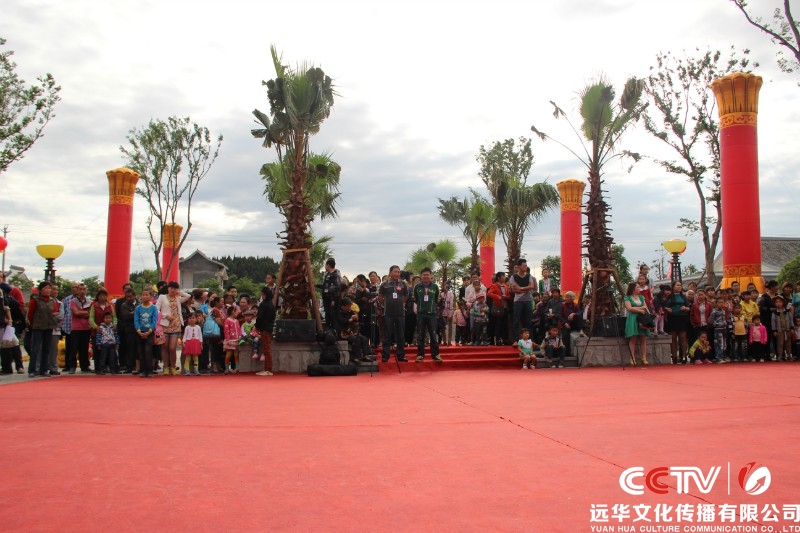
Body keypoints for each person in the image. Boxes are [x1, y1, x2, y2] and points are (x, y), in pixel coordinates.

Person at [155, 281, 191, 376]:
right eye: (171, 288)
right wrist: (165, 315)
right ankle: (166, 367)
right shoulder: (162, 297)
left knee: (172, 348)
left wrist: (179, 292)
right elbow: (156, 310)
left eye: (175, 288)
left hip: (176, 324)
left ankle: (173, 367)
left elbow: (188, 296)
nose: (173, 290)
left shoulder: (178, 298)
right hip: (165, 324)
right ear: (168, 288)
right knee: (165, 347)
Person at [26, 281, 58, 377]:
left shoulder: (52, 300)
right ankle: (32, 370)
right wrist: (33, 324)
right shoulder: (35, 300)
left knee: (46, 349)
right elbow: (30, 314)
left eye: (49, 288)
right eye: (46, 288)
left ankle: (43, 370)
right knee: (35, 348)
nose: (48, 290)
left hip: (49, 326)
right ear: (40, 290)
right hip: (38, 327)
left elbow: (54, 311)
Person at [378, 265, 409, 363]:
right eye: (395, 272)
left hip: (400, 313)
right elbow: (380, 297)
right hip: (388, 313)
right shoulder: (384, 284)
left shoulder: (403, 284)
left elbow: (406, 296)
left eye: (398, 272)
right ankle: (385, 356)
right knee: (387, 335)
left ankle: (401, 356)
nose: (397, 274)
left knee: (401, 336)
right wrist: (386, 305)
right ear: (390, 272)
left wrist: (400, 303)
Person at [413, 268, 442, 362]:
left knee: (433, 335)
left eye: (427, 274)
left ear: (431, 276)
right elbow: (415, 298)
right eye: (424, 274)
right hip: (421, 314)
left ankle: (435, 354)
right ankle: (420, 355)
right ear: (421, 276)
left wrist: (431, 307)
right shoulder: (417, 287)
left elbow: (437, 299)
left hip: (432, 315)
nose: (426, 276)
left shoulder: (435, 287)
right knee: (420, 335)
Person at [510, 259, 536, 343]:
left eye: (526, 265)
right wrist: (526, 289)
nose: (525, 267)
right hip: (518, 301)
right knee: (516, 321)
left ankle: (529, 340)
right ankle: (516, 340)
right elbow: (514, 290)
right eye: (524, 265)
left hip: (528, 300)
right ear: (519, 266)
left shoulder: (529, 276)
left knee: (528, 321)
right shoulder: (513, 277)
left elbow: (531, 286)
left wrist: (521, 288)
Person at [624, 282, 650, 366]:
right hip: (633, 318)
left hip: (642, 318)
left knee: (643, 338)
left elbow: (645, 307)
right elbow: (629, 308)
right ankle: (632, 357)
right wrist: (640, 309)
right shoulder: (627, 298)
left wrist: (641, 309)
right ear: (633, 289)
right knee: (633, 338)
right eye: (638, 287)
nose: (639, 289)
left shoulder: (641, 297)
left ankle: (644, 357)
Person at [665, 281, 690, 365]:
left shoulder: (684, 296)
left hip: (682, 317)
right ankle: (674, 356)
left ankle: (684, 356)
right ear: (673, 287)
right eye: (677, 285)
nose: (679, 286)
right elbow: (665, 306)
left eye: (680, 285)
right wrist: (667, 309)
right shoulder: (669, 296)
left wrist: (685, 308)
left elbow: (688, 307)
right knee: (673, 337)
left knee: (683, 337)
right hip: (672, 317)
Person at [134, 290, 158, 378]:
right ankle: (142, 370)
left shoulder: (154, 308)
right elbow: (136, 320)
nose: (144, 296)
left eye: (146, 295)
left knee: (148, 351)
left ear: (150, 297)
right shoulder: (138, 308)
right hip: (139, 332)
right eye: (143, 295)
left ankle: (150, 370)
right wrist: (139, 331)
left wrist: (149, 331)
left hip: (149, 332)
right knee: (140, 352)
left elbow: (154, 320)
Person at [68, 283, 92, 373]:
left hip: (86, 327)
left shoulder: (89, 302)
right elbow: (76, 313)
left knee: (84, 348)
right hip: (76, 328)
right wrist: (86, 312)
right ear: (77, 290)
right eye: (80, 289)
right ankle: (72, 366)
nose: (82, 291)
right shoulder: (73, 301)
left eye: (84, 289)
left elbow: (91, 313)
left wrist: (81, 312)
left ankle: (85, 366)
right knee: (74, 348)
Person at [255, 286, 276, 376]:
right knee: (266, 349)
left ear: (263, 294)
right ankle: (267, 368)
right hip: (270, 328)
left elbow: (259, 317)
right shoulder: (271, 305)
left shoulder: (263, 304)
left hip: (264, 328)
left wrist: (257, 326)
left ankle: (268, 369)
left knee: (266, 349)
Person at [487, 272, 512, 346]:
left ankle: (504, 339)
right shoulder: (494, 285)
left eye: (504, 276)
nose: (504, 277)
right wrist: (497, 297)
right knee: (498, 324)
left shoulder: (506, 286)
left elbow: (509, 296)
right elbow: (489, 293)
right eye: (503, 276)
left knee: (505, 324)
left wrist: (506, 297)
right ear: (498, 278)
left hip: (505, 307)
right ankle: (497, 339)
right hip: (498, 307)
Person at [117, 289, 138, 373]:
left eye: (130, 296)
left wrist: (133, 313)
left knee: (138, 349)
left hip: (139, 329)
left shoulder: (140, 303)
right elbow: (125, 316)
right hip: (129, 329)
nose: (129, 298)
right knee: (130, 348)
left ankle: (138, 366)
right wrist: (134, 313)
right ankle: (129, 366)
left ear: (134, 295)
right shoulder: (124, 305)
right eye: (127, 297)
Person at [321, 258, 342, 331]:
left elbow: (338, 287)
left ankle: (334, 330)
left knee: (332, 314)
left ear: (328, 265)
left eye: (325, 265)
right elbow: (325, 286)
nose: (325, 266)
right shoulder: (327, 275)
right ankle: (327, 330)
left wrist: (333, 298)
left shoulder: (335, 275)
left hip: (332, 300)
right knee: (327, 314)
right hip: (326, 299)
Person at [771, 294, 793, 361]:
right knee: (780, 344)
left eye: (780, 302)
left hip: (787, 329)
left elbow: (791, 319)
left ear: (783, 302)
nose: (778, 303)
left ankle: (789, 355)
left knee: (788, 343)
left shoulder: (787, 311)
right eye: (777, 302)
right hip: (779, 330)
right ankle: (780, 356)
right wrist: (774, 330)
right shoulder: (775, 313)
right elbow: (773, 322)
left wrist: (792, 328)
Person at [709, 298, 730, 364]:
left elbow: (726, 318)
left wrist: (725, 323)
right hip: (718, 329)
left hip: (724, 328)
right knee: (718, 343)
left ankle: (723, 356)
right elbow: (710, 321)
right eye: (719, 302)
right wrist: (716, 324)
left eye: (722, 302)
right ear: (716, 304)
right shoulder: (714, 311)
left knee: (724, 343)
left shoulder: (724, 311)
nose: (721, 304)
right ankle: (718, 357)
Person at [223, 306, 241, 374]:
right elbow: (226, 331)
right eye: (236, 311)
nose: (237, 313)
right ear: (233, 311)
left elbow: (239, 329)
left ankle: (237, 368)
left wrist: (240, 336)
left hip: (236, 340)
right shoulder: (227, 320)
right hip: (230, 340)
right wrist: (228, 340)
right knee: (228, 354)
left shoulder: (236, 321)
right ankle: (227, 368)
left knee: (236, 354)